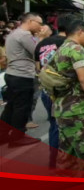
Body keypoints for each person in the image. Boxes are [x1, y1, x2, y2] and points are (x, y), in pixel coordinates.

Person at [52, 20, 84, 171]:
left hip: (62, 108)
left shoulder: (62, 48)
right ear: (80, 32)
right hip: (76, 110)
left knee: (66, 150)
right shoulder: (76, 49)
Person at [0, 12, 43, 147]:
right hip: (22, 75)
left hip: (12, 74)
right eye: (39, 23)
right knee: (22, 107)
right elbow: (38, 51)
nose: (41, 26)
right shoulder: (25, 35)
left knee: (11, 106)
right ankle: (18, 137)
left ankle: (3, 134)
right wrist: (42, 37)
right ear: (30, 21)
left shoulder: (14, 33)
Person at [34, 14, 71, 168]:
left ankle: (53, 160)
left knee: (53, 125)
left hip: (46, 90)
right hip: (62, 91)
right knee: (65, 126)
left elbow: (37, 68)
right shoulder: (69, 44)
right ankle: (60, 162)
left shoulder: (42, 43)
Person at [27, 24, 53, 129]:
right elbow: (35, 53)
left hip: (46, 73)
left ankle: (50, 114)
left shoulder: (51, 41)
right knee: (33, 97)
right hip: (33, 73)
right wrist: (40, 38)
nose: (42, 29)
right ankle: (28, 120)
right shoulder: (34, 40)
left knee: (46, 95)